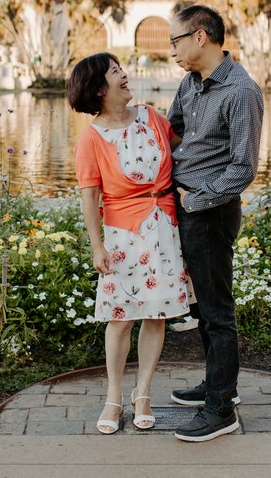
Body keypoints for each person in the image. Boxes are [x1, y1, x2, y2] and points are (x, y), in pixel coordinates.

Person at [69, 52, 191, 436]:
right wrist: (97, 246)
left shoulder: (153, 117)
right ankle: (113, 397)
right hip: (122, 236)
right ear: (98, 88)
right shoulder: (91, 139)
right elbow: (90, 198)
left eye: (122, 69)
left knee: (156, 315)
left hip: (165, 228)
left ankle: (143, 395)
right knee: (120, 319)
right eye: (115, 72)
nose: (125, 75)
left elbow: (188, 151)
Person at [166, 4, 264, 442]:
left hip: (211, 214)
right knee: (203, 308)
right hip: (188, 208)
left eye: (176, 40)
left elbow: (244, 167)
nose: (171, 50)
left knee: (217, 312)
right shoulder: (191, 81)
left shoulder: (241, 91)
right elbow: (174, 129)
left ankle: (221, 410)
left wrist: (198, 198)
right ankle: (217, 385)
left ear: (200, 36)